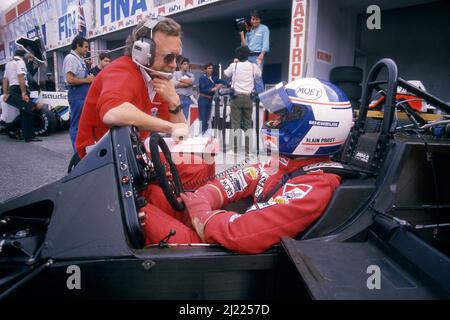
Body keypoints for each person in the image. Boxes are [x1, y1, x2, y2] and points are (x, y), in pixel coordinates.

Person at [141, 78, 353, 254]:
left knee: (138, 215)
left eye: (284, 118)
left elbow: (240, 234)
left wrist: (202, 214)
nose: (275, 122)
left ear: (314, 127)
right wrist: (202, 202)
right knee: (151, 193)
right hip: (217, 232)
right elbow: (228, 182)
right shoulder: (281, 164)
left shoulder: (314, 185)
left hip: (223, 251)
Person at [75, 17, 214, 186]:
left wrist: (174, 102)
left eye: (177, 58)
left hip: (130, 154)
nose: (174, 65)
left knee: (206, 156)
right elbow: (112, 112)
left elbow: (181, 135)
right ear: (142, 52)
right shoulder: (122, 71)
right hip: (100, 161)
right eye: (169, 57)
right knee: (196, 168)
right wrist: (170, 127)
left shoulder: (156, 79)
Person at [224, 45, 261, 153]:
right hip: (249, 98)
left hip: (236, 97)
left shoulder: (234, 65)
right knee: (248, 124)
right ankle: (248, 150)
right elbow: (259, 75)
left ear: (237, 55)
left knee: (235, 124)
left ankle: (233, 149)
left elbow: (226, 74)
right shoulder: (253, 66)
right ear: (248, 55)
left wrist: (234, 62)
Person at [62, 35, 95, 151]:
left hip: (82, 95)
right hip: (77, 95)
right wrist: (88, 80)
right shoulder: (71, 58)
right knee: (76, 124)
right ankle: (77, 151)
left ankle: (82, 148)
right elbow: (70, 79)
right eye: (85, 47)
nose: (87, 49)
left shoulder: (79, 59)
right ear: (78, 45)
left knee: (83, 123)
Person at [2, 49, 42, 142]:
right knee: (29, 111)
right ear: (23, 56)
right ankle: (28, 136)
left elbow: (5, 79)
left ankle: (26, 136)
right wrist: (24, 93)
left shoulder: (8, 64)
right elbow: (21, 78)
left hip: (12, 89)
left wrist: (5, 93)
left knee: (25, 112)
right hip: (20, 89)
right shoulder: (20, 62)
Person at [239, 10, 270, 94]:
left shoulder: (264, 28)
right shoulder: (249, 30)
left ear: (260, 20)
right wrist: (242, 34)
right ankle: (250, 97)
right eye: (253, 19)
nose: (255, 21)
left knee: (258, 77)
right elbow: (244, 46)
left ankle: (260, 98)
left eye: (257, 19)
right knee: (248, 77)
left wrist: (262, 54)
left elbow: (265, 42)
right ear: (251, 20)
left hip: (258, 56)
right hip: (248, 56)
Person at [198, 63, 227, 134]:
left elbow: (223, 82)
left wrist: (223, 83)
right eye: (209, 68)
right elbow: (203, 89)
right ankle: (202, 134)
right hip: (203, 99)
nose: (211, 70)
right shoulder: (202, 78)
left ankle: (205, 133)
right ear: (205, 70)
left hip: (210, 99)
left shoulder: (214, 78)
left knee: (207, 118)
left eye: (212, 68)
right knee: (203, 119)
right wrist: (214, 88)